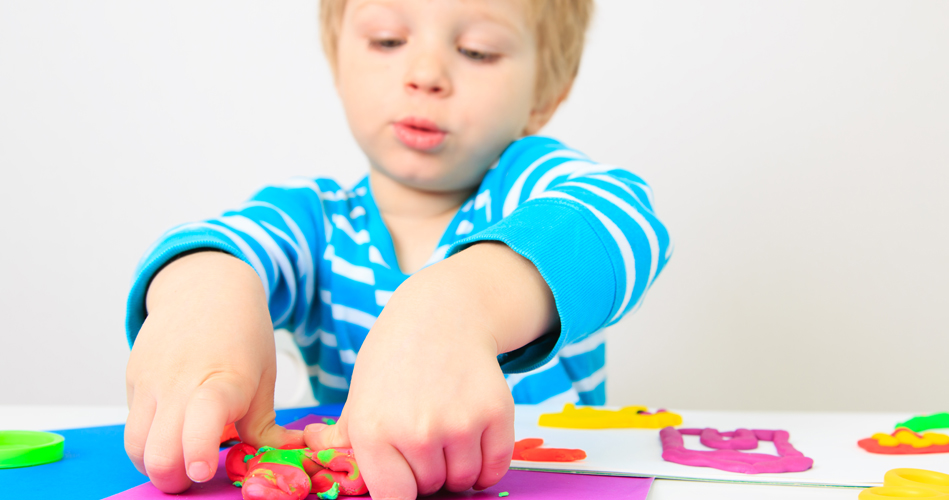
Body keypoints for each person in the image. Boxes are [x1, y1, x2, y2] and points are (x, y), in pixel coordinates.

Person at [123, 0, 671, 498]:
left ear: (547, 92)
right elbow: (226, 243)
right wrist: (204, 295)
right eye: (387, 40)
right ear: (338, 60)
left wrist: (458, 308)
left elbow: (623, 217)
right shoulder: (313, 220)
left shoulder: (532, 187)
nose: (425, 75)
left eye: (477, 51)